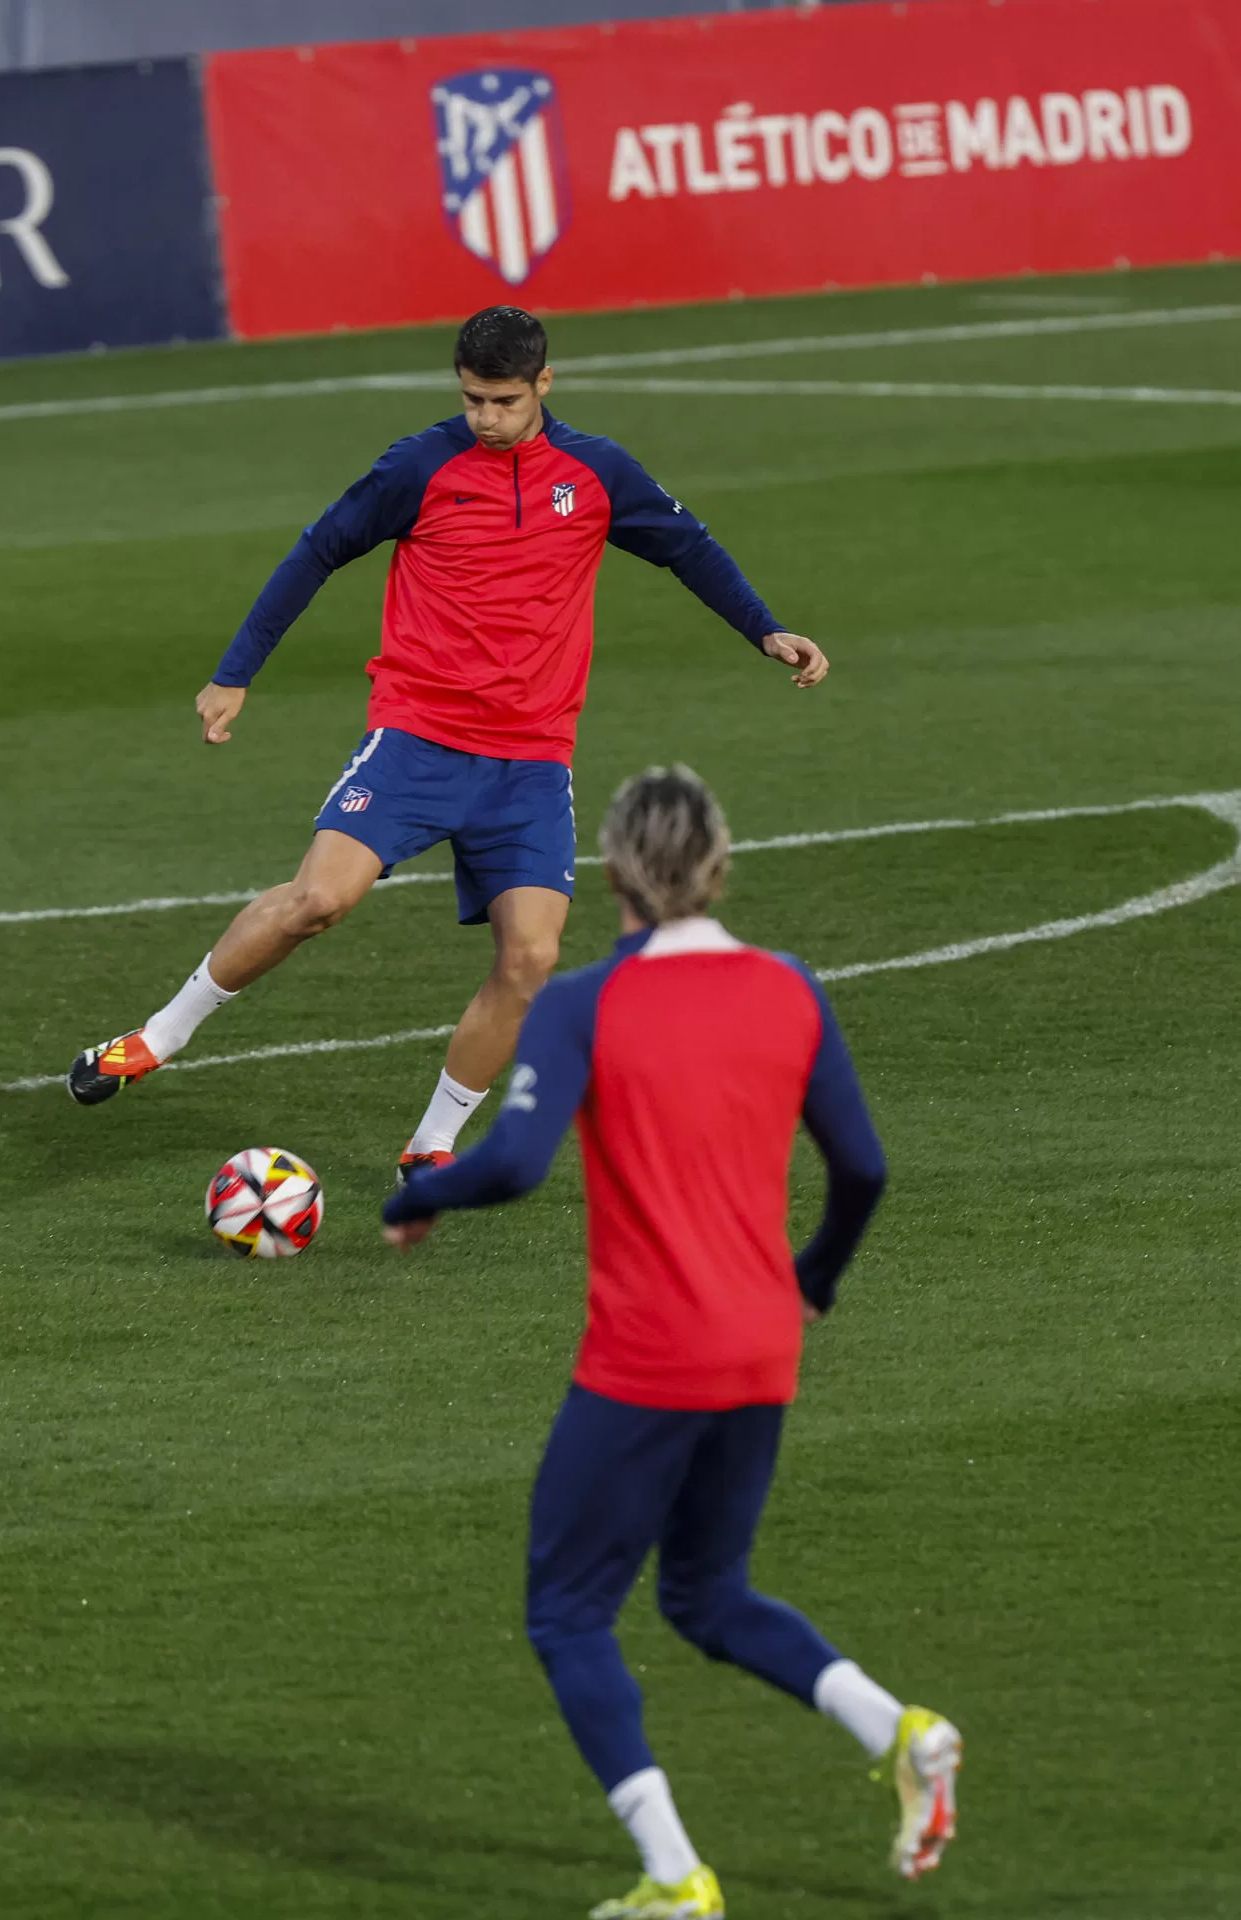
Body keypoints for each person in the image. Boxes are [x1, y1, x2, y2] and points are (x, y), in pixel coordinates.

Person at [66, 307, 828, 1187]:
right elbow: (317, 552)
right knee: (319, 899)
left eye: (503, 401)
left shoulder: (596, 474)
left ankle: (429, 1146)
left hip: (532, 760)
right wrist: (236, 672)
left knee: (531, 958)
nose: (485, 418)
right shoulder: (419, 467)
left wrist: (764, 631)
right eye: (471, 399)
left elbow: (685, 548)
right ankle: (157, 1037)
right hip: (418, 738)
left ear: (543, 384)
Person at [381, 766, 962, 1920]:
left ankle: (672, 1874)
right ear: (719, 864)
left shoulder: (589, 1002)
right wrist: (812, 1280)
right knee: (702, 1594)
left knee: (566, 1613)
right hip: (758, 1348)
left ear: (611, 873)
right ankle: (898, 1729)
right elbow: (864, 1168)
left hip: (649, 1356)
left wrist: (418, 1196)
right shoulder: (788, 987)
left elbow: (517, 1159)